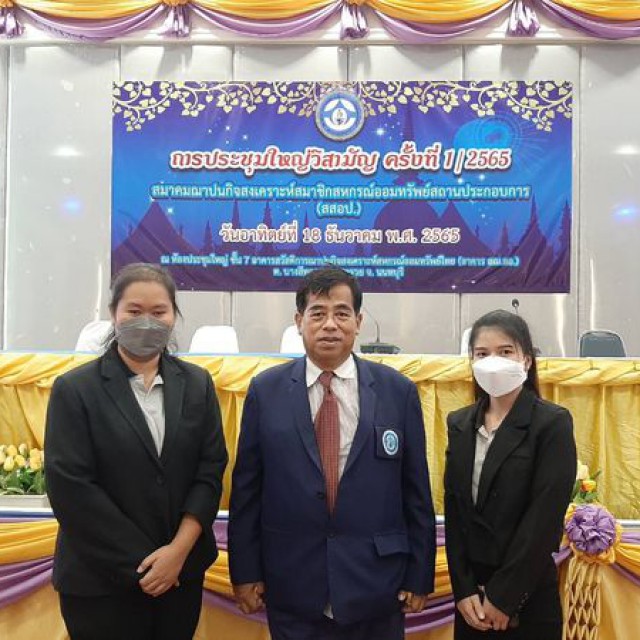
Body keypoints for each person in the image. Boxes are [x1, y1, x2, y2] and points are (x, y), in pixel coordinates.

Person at [228, 266, 436, 640]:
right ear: (299, 321)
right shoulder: (266, 391)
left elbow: (416, 491)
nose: (330, 325)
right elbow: (247, 491)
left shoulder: (397, 391)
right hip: (292, 583)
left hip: (378, 585)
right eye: (318, 313)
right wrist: (244, 572)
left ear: (358, 322)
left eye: (341, 313)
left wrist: (420, 574)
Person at [44, 263, 228, 640]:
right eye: (134, 311)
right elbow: (71, 488)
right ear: (113, 313)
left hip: (179, 579)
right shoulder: (75, 390)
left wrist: (177, 553)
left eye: (159, 312)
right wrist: (147, 565)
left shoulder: (197, 384)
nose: (147, 322)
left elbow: (209, 471)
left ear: (174, 316)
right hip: (99, 584)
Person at [444, 310, 577, 640]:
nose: (493, 362)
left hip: (526, 596)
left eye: (505, 352)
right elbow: (455, 511)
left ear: (526, 360)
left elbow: (544, 518)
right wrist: (463, 589)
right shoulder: (459, 424)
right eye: (482, 354)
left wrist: (504, 597)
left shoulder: (551, 423)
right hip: (471, 603)